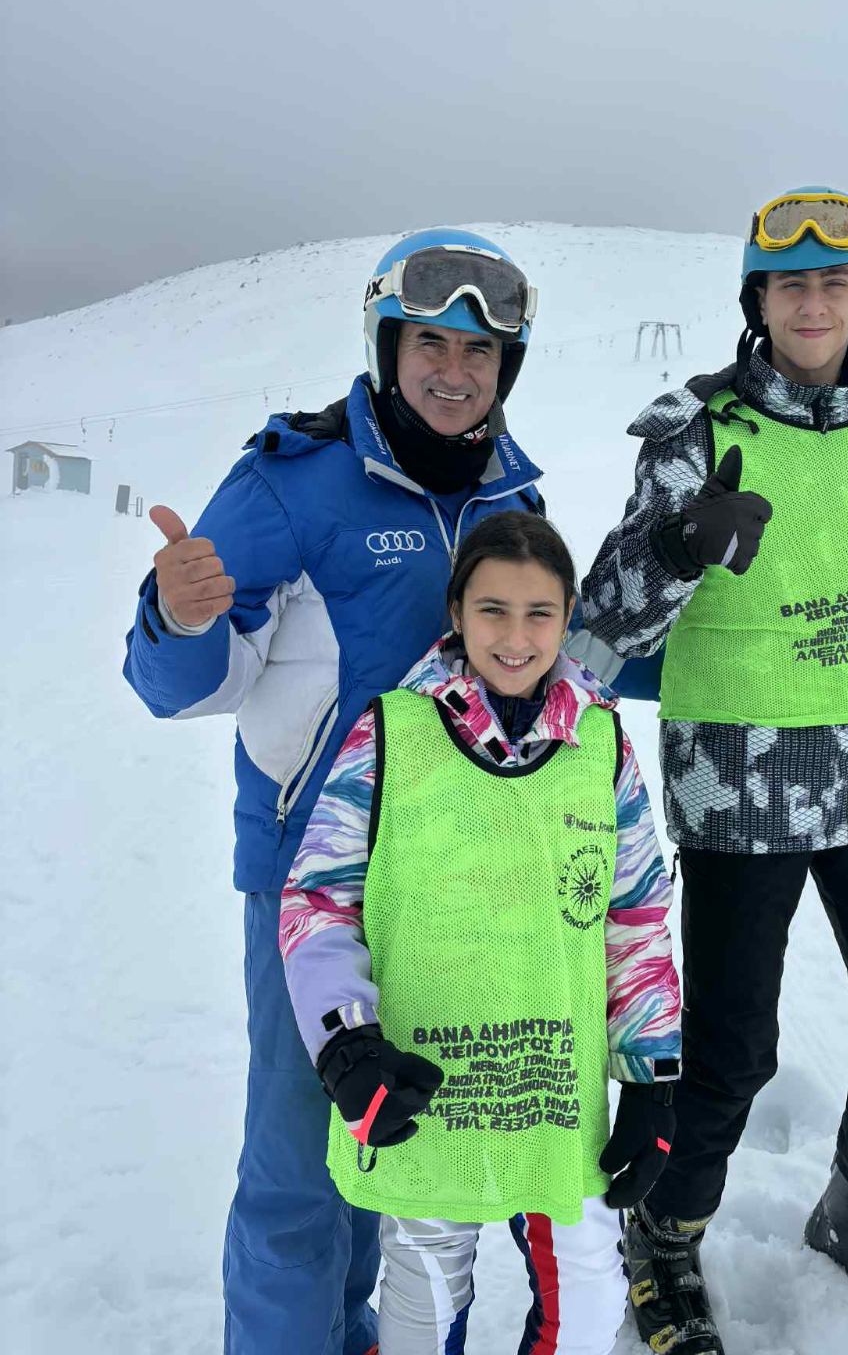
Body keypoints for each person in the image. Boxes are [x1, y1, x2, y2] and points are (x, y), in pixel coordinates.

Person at [575, 188, 848, 1355]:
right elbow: (603, 624)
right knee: (728, 1054)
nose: (814, 301)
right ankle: (664, 1236)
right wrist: (681, 542)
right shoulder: (697, 431)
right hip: (740, 790)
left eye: (836, 280)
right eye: (790, 282)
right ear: (758, 299)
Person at [123, 230, 552, 1355]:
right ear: (386, 347)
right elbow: (185, 686)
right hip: (308, 879)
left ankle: (356, 1334)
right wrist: (179, 615)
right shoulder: (291, 481)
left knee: (393, 1142)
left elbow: (551, 669)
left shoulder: (513, 493)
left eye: (479, 350)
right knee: (295, 1174)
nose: (454, 370)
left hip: (451, 887)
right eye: (430, 344)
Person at [280, 510, 681, 1354]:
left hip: (554, 1090)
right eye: (493, 609)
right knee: (424, 1292)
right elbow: (318, 899)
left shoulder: (599, 743)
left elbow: (636, 915)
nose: (516, 636)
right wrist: (346, 1044)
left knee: (589, 1294)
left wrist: (651, 1078)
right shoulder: (393, 732)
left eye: (540, 613)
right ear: (456, 612)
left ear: (567, 618)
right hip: (422, 1089)